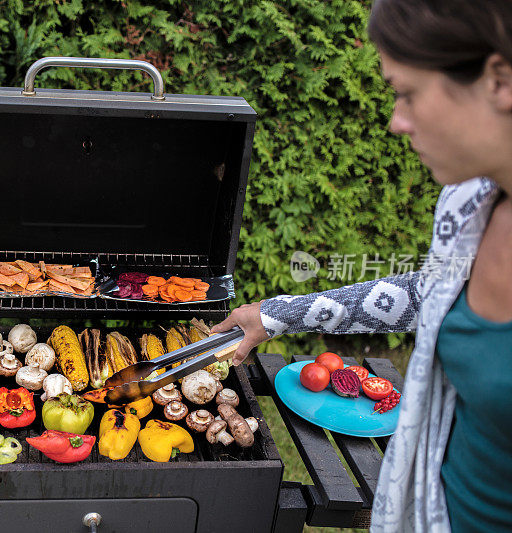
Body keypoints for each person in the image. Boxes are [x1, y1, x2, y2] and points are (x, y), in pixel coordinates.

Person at [212, 1, 512, 531]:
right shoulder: (473, 206)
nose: (396, 121)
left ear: (500, 81)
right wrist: (277, 315)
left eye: (409, 93)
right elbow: (427, 296)